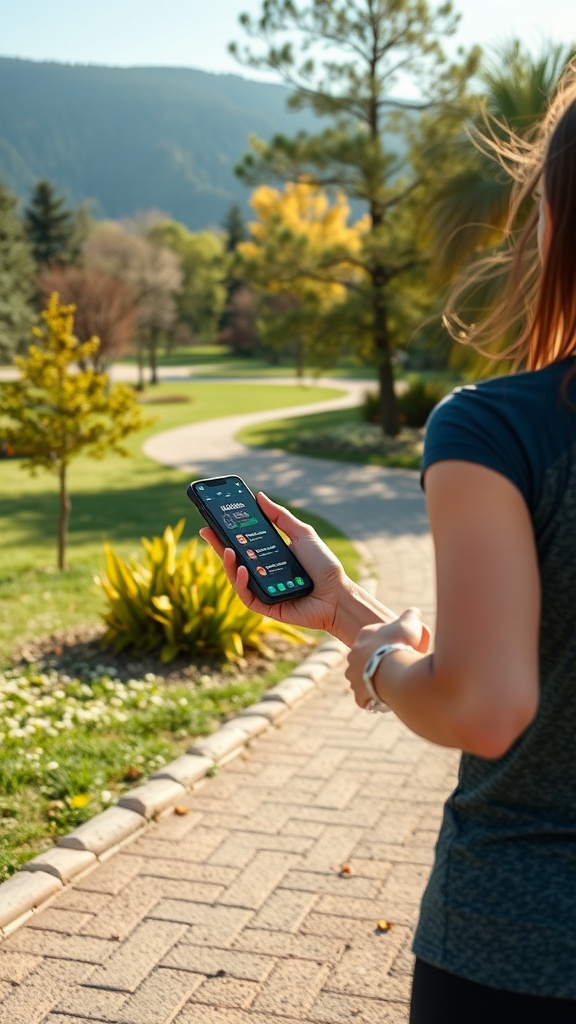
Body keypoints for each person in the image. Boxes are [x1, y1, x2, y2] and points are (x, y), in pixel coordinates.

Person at [200, 63, 576, 1024]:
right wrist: (346, 610)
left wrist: (372, 652)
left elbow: (487, 707)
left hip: (522, 950)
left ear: (556, 224)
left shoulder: (499, 429)